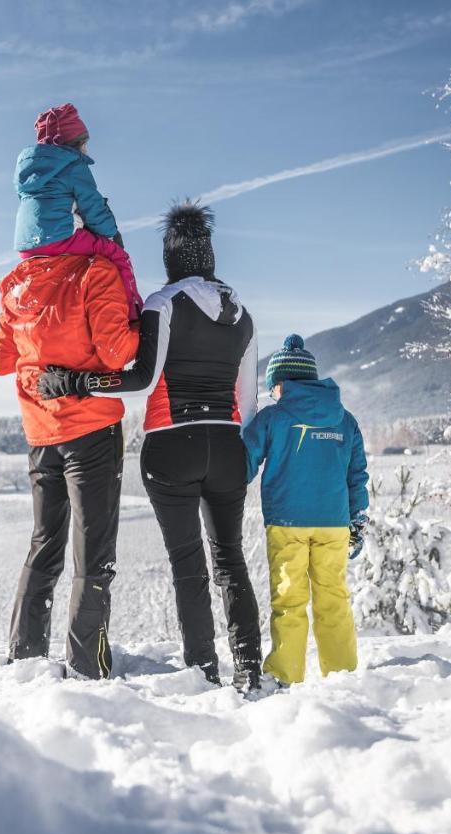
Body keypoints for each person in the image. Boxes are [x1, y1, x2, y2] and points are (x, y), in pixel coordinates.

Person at [36, 202, 263, 692]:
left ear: (171, 258)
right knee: (232, 562)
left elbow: (141, 378)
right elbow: (248, 400)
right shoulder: (243, 314)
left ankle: (204, 673)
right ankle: (250, 671)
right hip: (226, 446)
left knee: (189, 565)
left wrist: (75, 381)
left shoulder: (164, 304)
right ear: (209, 254)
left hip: (170, 445)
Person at [0, 247, 139, 680]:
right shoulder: (94, 273)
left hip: (40, 433)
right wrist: (138, 326)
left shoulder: (15, 284)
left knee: (44, 542)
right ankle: (85, 666)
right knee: (93, 551)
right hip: (91, 430)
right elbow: (118, 353)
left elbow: (2, 359)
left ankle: (25, 657)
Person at [242, 334, 369, 686]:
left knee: (288, 602)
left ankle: (284, 676)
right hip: (334, 525)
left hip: (287, 524)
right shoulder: (346, 421)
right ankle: (342, 676)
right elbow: (356, 476)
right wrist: (358, 519)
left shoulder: (272, 419)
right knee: (334, 600)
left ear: (279, 385)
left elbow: (244, 465)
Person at [14, 103, 144, 321]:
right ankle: (133, 313)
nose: (86, 149)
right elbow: (92, 207)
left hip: (26, 246)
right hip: (60, 237)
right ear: (74, 143)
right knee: (118, 255)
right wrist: (111, 234)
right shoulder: (74, 166)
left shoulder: (28, 171)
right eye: (85, 143)